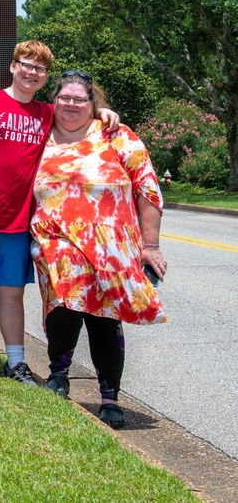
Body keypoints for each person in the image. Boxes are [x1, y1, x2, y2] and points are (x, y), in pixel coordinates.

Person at [0, 40, 118, 386]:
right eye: (27, 64)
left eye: (40, 69)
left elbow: (75, 112)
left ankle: (16, 363)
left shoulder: (45, 113)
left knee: (12, 292)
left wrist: (102, 113)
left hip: (19, 222)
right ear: (13, 66)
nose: (32, 72)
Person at [31, 71, 167, 429]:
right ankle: (58, 375)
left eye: (80, 99)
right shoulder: (38, 135)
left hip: (110, 247)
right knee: (63, 307)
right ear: (53, 100)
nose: (71, 105)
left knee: (105, 317)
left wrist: (150, 246)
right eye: (64, 98)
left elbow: (148, 189)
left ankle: (109, 396)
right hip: (55, 242)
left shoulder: (115, 135)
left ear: (94, 104)